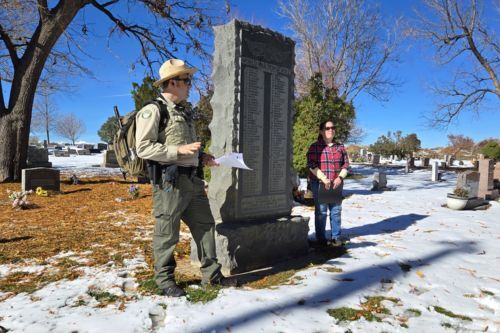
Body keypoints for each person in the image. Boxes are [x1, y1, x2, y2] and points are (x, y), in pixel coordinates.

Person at [135, 59, 236, 297]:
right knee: (167, 233)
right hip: (170, 184)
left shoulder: (185, 111)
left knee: (205, 226)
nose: (190, 85)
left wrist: (201, 156)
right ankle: (164, 281)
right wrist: (178, 151)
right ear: (172, 82)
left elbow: (185, 145)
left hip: (192, 180)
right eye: (186, 80)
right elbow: (143, 148)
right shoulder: (153, 110)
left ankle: (212, 276)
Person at [306, 120, 350, 247]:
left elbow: (345, 165)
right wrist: (324, 179)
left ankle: (336, 237)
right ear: (321, 131)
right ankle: (321, 238)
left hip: (336, 184)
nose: (330, 130)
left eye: (332, 127)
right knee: (321, 212)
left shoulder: (340, 147)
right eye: (327, 128)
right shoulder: (315, 147)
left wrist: (340, 178)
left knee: (336, 211)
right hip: (319, 183)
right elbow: (311, 165)